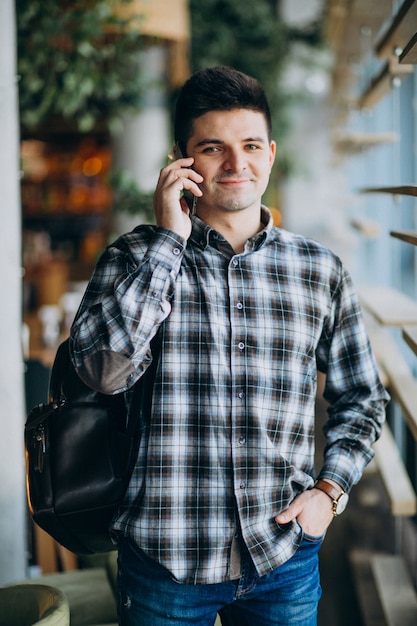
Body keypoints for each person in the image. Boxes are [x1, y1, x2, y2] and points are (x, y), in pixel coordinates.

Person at [70, 66, 389, 626]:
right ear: (182, 161)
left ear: (270, 152)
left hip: (284, 555)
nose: (236, 164)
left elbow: (362, 397)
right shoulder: (133, 256)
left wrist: (329, 493)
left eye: (248, 146)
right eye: (213, 147)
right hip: (165, 559)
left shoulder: (320, 269)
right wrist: (170, 240)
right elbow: (102, 370)